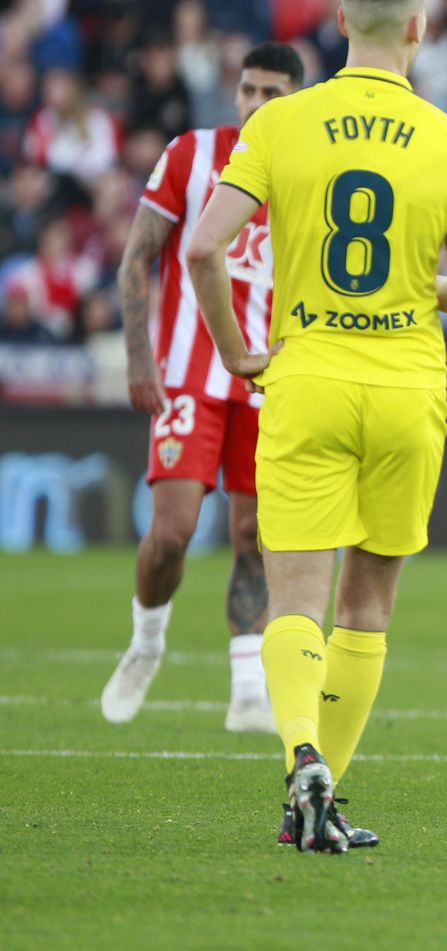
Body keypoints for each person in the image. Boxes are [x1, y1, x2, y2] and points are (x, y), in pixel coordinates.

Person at [185, 0, 447, 853]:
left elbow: (204, 248)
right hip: (405, 388)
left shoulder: (281, 122)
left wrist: (235, 350)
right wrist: (416, 285)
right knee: (367, 608)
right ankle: (319, 803)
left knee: (293, 600)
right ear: (419, 27)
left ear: (340, 23)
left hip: (307, 377)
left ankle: (302, 759)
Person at [100, 42, 303, 734]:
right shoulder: (192, 154)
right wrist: (139, 356)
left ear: (296, 100)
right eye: (248, 89)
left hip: (269, 375)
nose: (255, 104)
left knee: (255, 532)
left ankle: (247, 688)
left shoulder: (310, 174)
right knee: (172, 533)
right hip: (190, 369)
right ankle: (146, 641)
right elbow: (137, 257)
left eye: (272, 93)